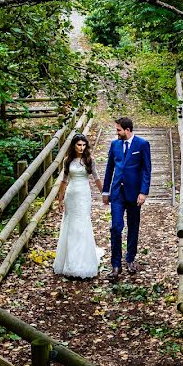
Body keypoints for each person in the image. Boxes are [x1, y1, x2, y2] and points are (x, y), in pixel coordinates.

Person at [102, 117, 151, 279]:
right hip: (117, 194)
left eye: (118, 130)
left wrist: (143, 192)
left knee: (133, 226)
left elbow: (146, 170)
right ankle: (116, 265)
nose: (117, 132)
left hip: (134, 193)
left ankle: (130, 258)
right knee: (116, 227)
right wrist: (105, 191)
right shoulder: (114, 145)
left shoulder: (142, 144)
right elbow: (109, 168)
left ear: (127, 130)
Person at [53, 133, 104, 279]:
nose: (81, 148)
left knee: (82, 225)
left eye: (83, 145)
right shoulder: (68, 161)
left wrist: (104, 193)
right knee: (71, 226)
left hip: (84, 195)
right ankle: (69, 261)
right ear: (73, 146)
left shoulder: (89, 160)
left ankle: (83, 262)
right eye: (78, 145)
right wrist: (60, 200)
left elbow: (96, 178)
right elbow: (63, 180)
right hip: (71, 195)